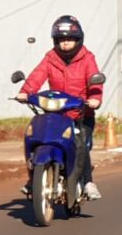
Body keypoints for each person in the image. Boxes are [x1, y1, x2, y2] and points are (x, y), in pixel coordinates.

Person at [15, 15, 104, 200]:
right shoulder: (50, 58)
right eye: (61, 39)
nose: (65, 43)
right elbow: (37, 76)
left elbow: (94, 80)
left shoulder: (87, 58)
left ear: (78, 39)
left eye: (69, 39)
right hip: (55, 114)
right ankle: (34, 179)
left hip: (80, 113)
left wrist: (94, 98)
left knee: (80, 144)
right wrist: (25, 92)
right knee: (35, 135)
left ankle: (88, 182)